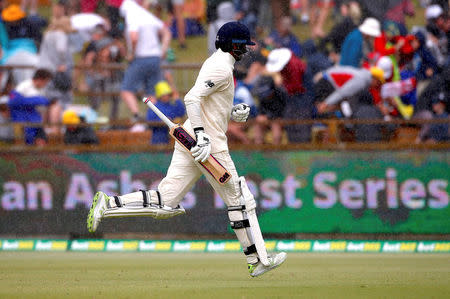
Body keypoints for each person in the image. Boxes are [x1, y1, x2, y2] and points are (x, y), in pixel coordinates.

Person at [87, 21, 287, 277]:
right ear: (233, 45)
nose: (246, 52)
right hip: (209, 144)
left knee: (167, 199)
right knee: (240, 199)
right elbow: (191, 98)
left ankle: (109, 204)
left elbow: (207, 104)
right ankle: (257, 259)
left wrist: (231, 112)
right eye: (243, 47)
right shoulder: (220, 69)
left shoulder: (218, 63)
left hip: (188, 138)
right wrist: (203, 138)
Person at [119, 0, 172, 124]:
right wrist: (162, 50)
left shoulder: (132, 16)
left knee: (126, 90)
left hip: (141, 58)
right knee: (151, 92)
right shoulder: (147, 15)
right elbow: (167, 33)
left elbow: (134, 37)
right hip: (155, 58)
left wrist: (131, 53)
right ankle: (153, 119)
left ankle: (137, 115)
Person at [8, 68, 53, 145]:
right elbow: (13, 102)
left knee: (41, 140)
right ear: (40, 79)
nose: (46, 84)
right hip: (23, 121)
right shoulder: (23, 86)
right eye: (46, 82)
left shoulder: (41, 91)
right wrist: (36, 100)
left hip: (36, 121)